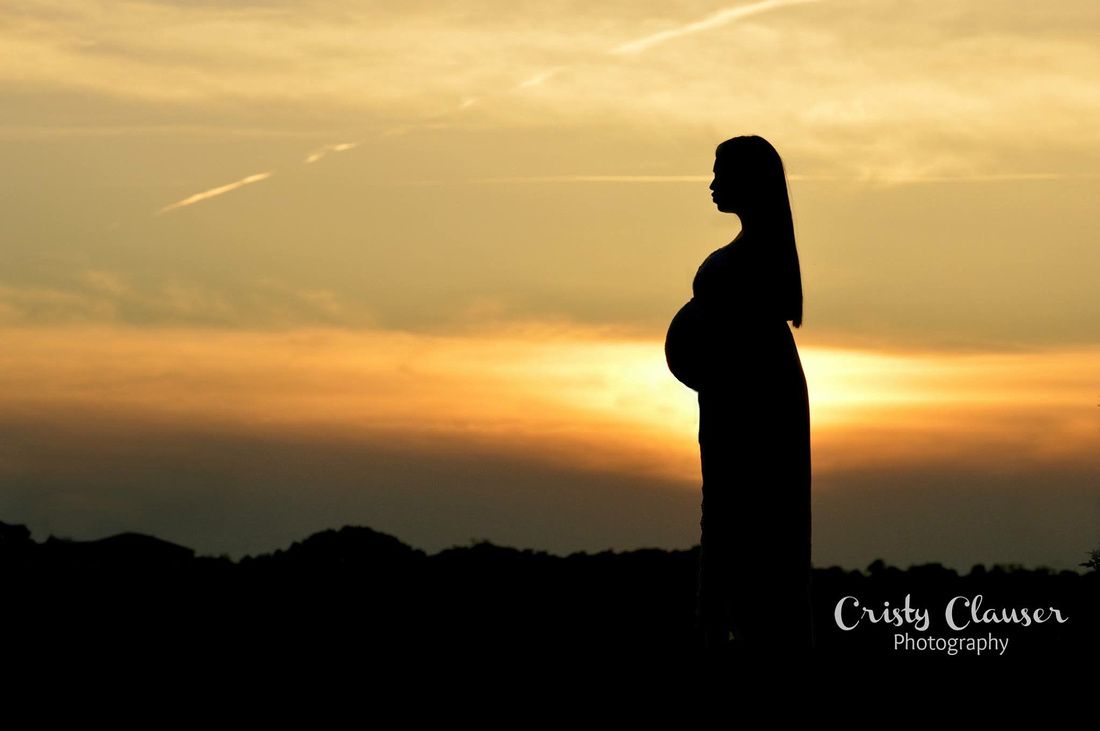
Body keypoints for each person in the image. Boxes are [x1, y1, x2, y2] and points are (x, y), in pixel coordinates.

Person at [665, 135, 813, 657]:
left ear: (749, 181)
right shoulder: (753, 249)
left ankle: (739, 627)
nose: (711, 184)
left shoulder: (759, 255)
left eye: (720, 172)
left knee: (749, 508)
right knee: (726, 504)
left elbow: (744, 330)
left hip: (752, 398)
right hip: (730, 394)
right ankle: (723, 617)